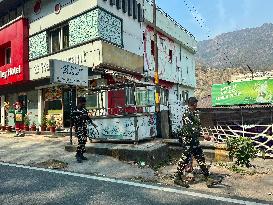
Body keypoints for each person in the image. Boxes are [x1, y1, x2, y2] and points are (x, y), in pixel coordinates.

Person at [174, 97, 220, 188]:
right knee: (184, 159)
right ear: (194, 104)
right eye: (196, 103)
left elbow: (197, 126)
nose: (197, 104)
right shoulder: (187, 114)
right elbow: (191, 129)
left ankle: (208, 178)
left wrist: (202, 133)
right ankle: (177, 178)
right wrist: (204, 136)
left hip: (194, 140)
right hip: (188, 141)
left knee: (201, 158)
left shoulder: (194, 113)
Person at [71, 97, 97, 163]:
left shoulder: (84, 110)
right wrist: (74, 127)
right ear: (80, 103)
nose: (84, 104)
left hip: (84, 127)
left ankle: (81, 154)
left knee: (84, 141)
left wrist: (92, 123)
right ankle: (78, 155)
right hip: (78, 128)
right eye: (83, 103)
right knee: (81, 141)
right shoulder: (75, 110)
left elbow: (87, 117)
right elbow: (73, 119)